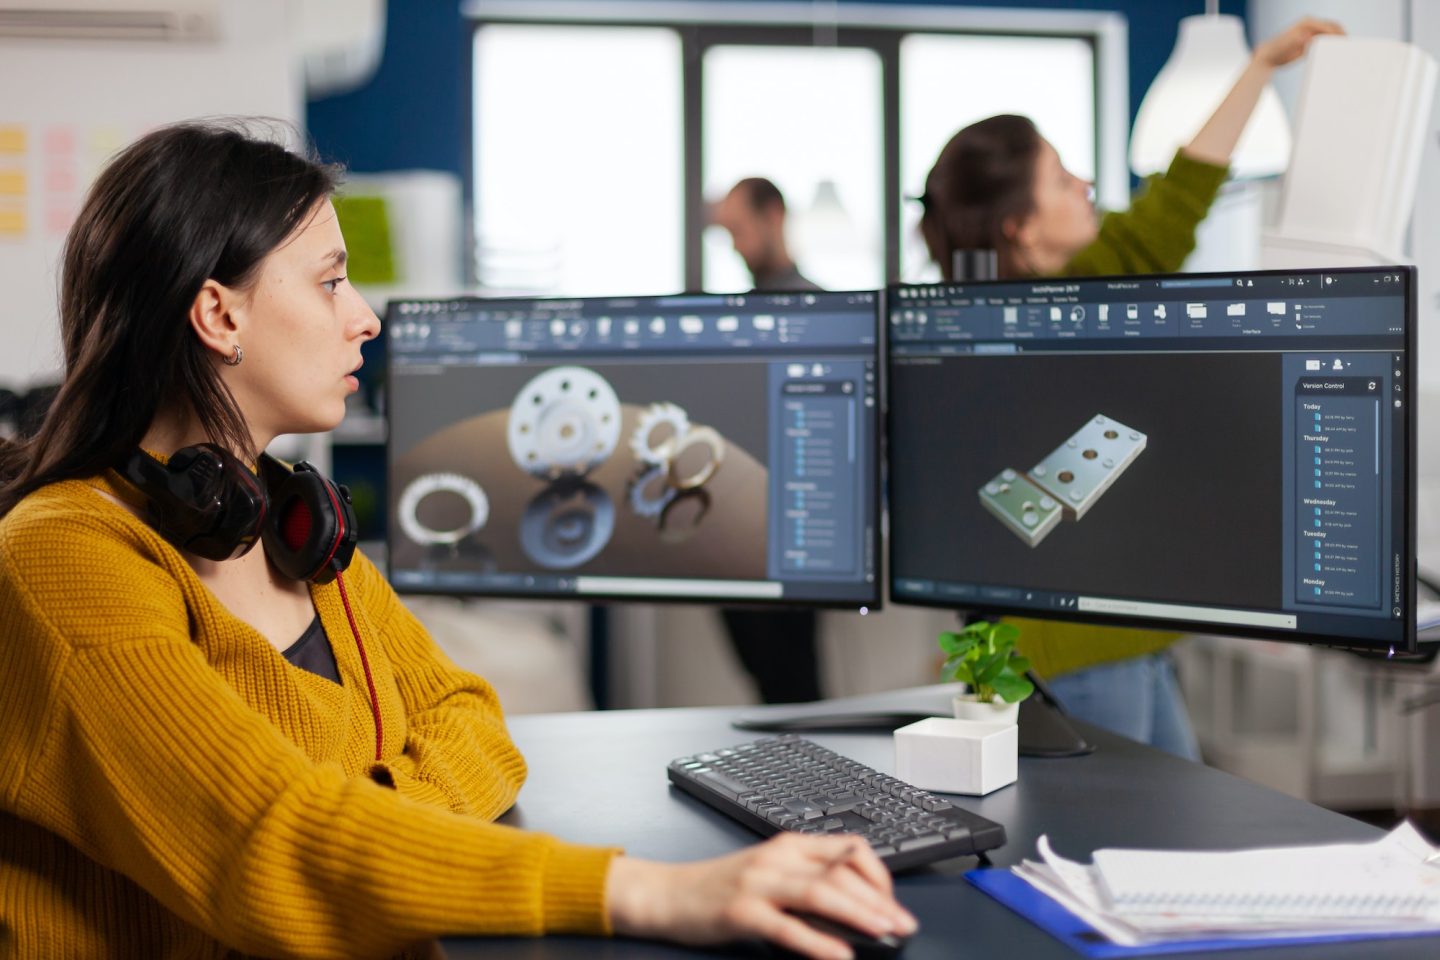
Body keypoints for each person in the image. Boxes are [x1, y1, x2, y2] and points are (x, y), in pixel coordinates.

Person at [0, 121, 915, 960]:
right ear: (220, 315)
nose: (367, 317)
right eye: (328, 283)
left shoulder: (293, 529)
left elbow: (469, 717)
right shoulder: (64, 562)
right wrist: (639, 892)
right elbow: (267, 843)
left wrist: (375, 829)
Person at [917, 17, 1343, 758]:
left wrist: (1263, 65)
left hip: (1123, 633)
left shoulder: (1084, 283)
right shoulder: (980, 333)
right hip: (1071, 648)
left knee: (1160, 824)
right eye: (1060, 177)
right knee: (1122, 835)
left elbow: (1182, 191)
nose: (1085, 183)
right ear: (1020, 227)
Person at [710, 176, 824, 704]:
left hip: (789, 532)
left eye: (739, 228)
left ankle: (809, 778)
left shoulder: (818, 311)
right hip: (738, 523)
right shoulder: (734, 316)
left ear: (773, 216)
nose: (733, 243)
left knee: (792, 679)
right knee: (767, 678)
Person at [711, 176, 820, 292]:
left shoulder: (818, 306)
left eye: (738, 231)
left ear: (773, 216)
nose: (735, 247)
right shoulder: (747, 305)